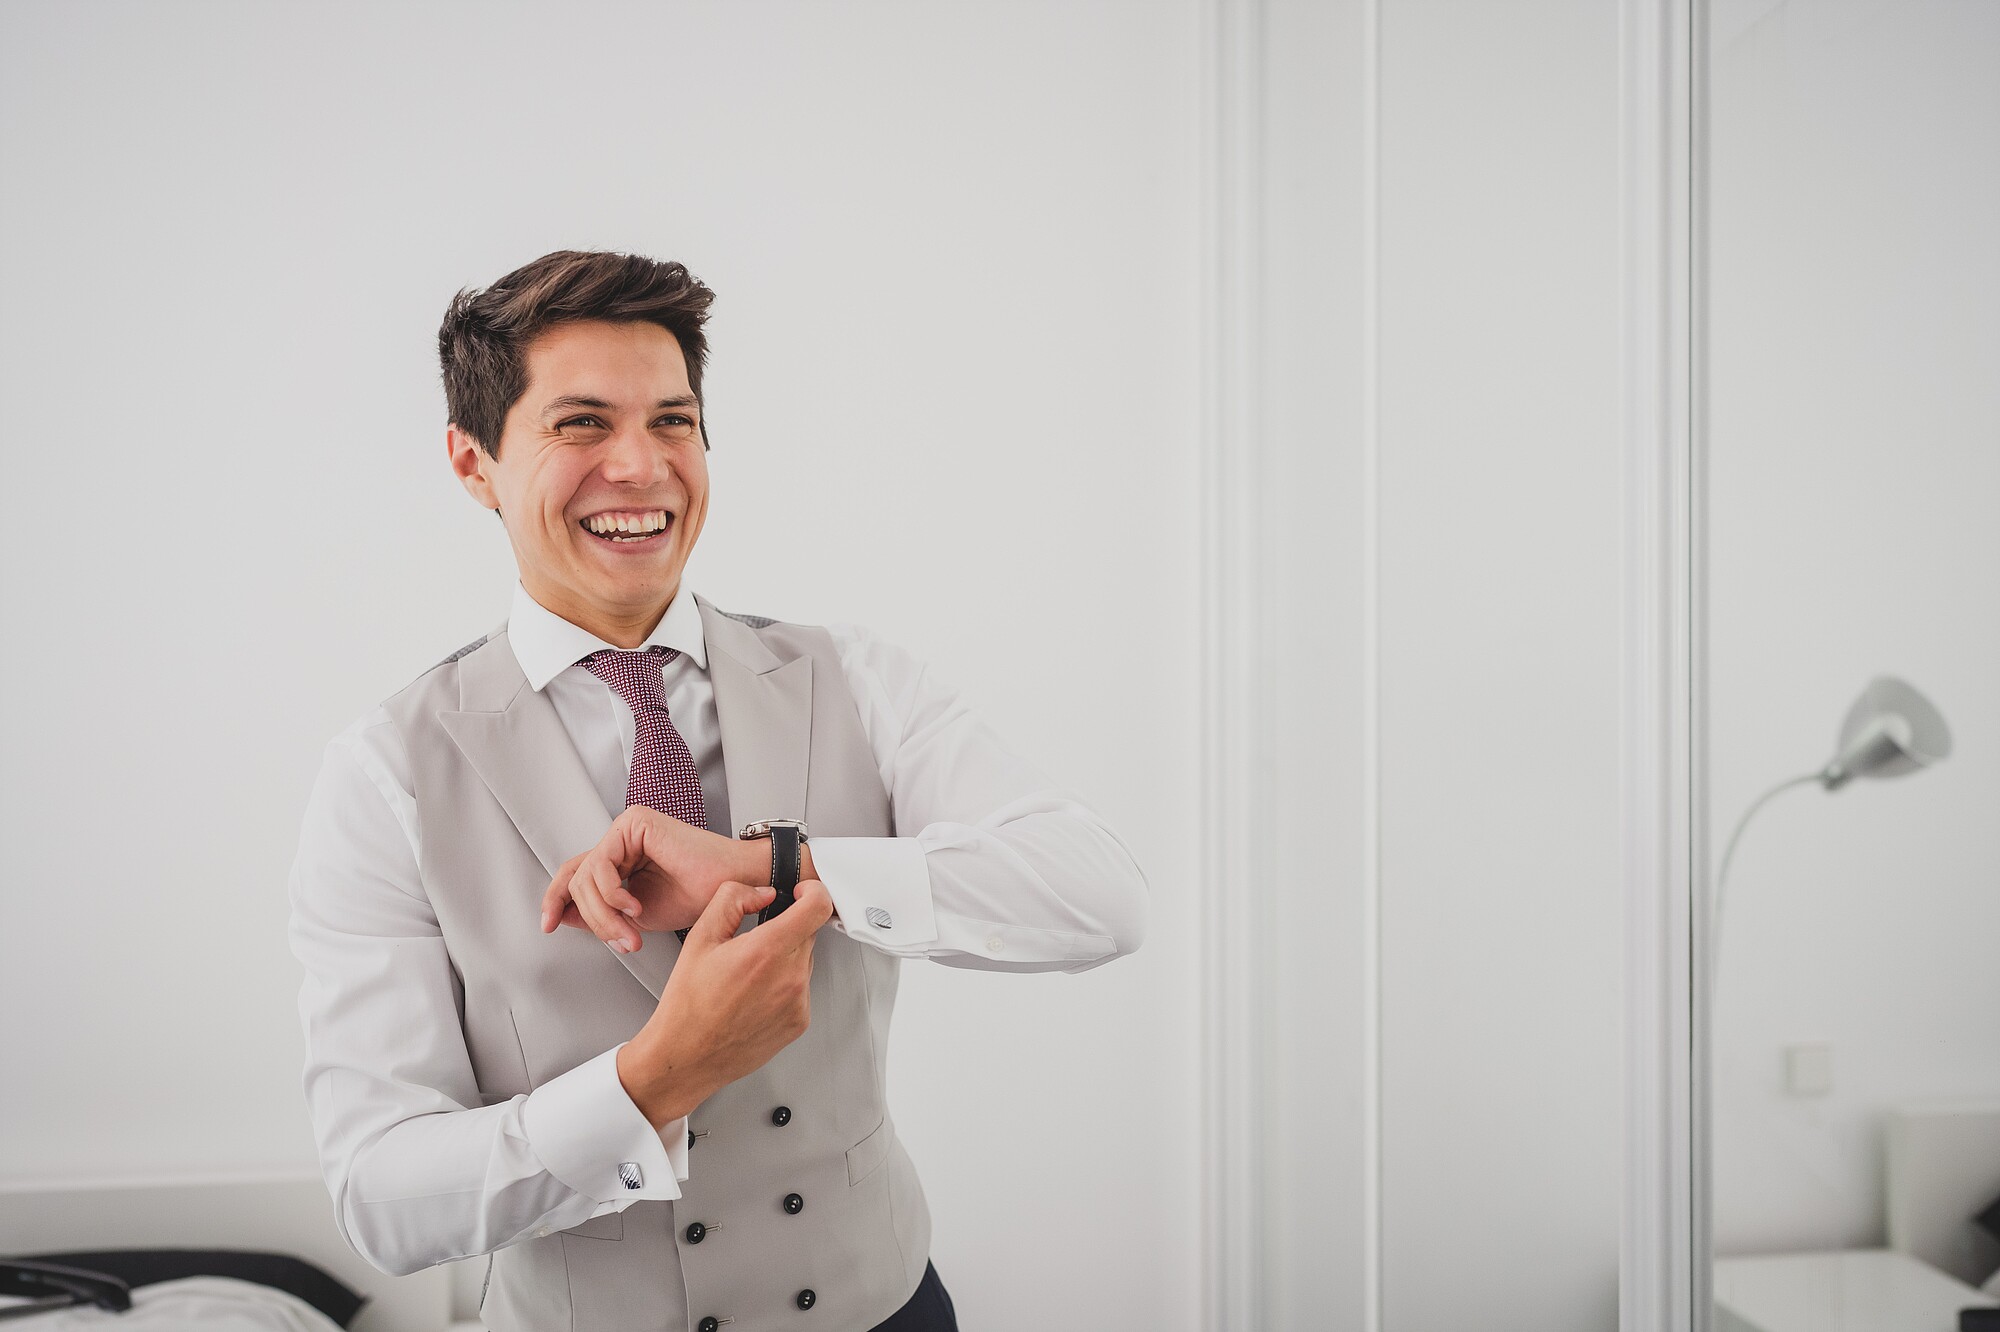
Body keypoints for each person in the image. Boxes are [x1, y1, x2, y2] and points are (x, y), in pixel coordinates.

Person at [286, 249, 1150, 1332]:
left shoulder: (854, 677)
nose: (641, 468)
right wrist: (654, 1078)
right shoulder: (384, 775)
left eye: (673, 422)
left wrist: (775, 866)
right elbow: (379, 1195)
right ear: (473, 463)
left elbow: (1102, 896)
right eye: (581, 424)